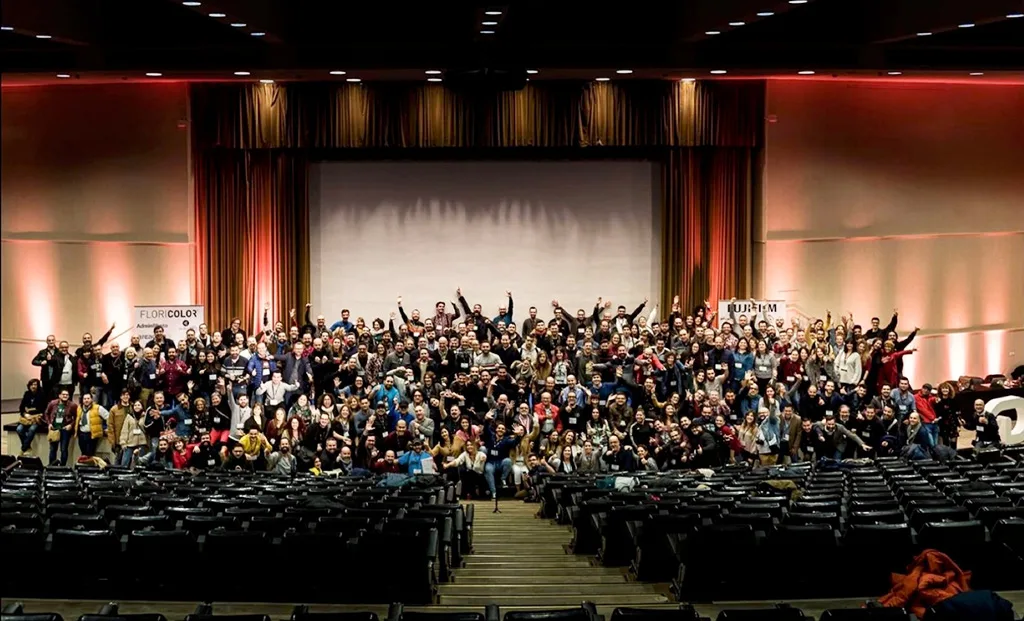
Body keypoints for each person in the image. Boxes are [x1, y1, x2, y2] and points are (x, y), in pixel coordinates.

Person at [16, 379, 48, 454]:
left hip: (36, 419)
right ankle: (27, 447)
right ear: (29, 386)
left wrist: (31, 411)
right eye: (32, 385)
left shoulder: (42, 395)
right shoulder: (26, 394)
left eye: (35, 385)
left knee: (32, 429)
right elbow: (21, 408)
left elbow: (42, 409)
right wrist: (25, 414)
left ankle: (23, 449)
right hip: (26, 418)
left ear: (38, 386)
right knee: (19, 429)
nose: (33, 386)